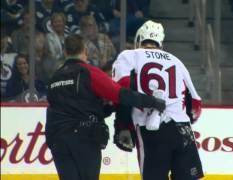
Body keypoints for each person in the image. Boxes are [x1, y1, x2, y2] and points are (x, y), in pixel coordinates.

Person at [45, 34, 166, 180]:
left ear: (65, 52)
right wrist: (152, 102)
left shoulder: (54, 78)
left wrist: (108, 109)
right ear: (85, 51)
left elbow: (72, 108)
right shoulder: (88, 72)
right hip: (84, 137)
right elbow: (120, 94)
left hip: (57, 137)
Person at [112, 20, 204, 180]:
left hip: (150, 129)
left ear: (139, 39)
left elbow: (120, 92)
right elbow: (195, 105)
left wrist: (123, 125)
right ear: (160, 42)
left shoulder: (129, 56)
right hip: (183, 131)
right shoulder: (176, 60)